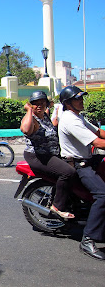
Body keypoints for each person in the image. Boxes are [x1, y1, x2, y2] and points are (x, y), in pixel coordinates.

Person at [58, 85, 105, 260]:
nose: (81, 101)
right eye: (78, 99)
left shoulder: (79, 116)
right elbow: (97, 142)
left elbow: (99, 132)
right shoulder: (70, 120)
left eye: (81, 98)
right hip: (79, 164)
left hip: (89, 159)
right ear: (68, 103)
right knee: (102, 195)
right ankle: (88, 239)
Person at [20, 91, 76, 219]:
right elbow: (26, 129)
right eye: (35, 104)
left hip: (52, 154)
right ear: (31, 105)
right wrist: (29, 110)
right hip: (38, 156)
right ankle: (57, 206)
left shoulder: (44, 116)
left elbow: (54, 123)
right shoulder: (32, 118)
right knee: (68, 172)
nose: (39, 106)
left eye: (42, 103)